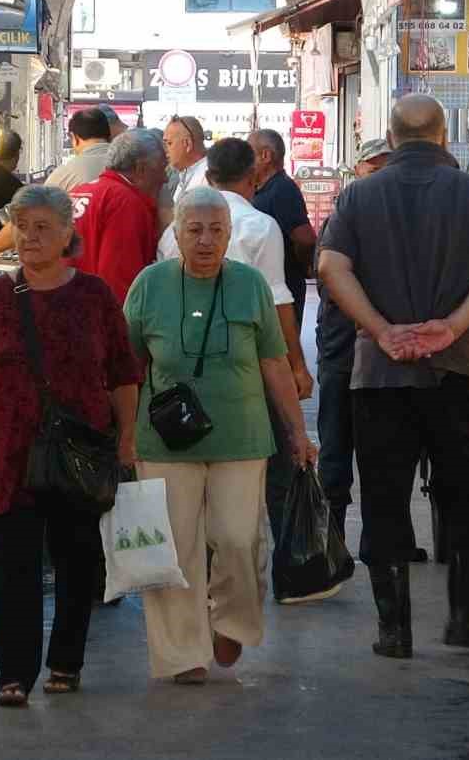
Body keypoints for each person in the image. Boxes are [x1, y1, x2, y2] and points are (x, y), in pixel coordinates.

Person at [316, 95, 469, 658]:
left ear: (391, 135)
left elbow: (332, 267)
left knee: (383, 496)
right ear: (443, 134)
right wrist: (452, 327)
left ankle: (394, 630)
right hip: (463, 369)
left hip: (381, 375)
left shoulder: (358, 195)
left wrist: (381, 330)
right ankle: (465, 617)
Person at [0, 185, 141, 708]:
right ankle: (13, 672)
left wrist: (127, 436)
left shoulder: (95, 297)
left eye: (41, 227)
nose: (29, 238)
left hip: (79, 450)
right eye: (21, 227)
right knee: (12, 564)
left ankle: (66, 661)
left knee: (77, 561)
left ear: (66, 233)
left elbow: (123, 373)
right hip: (7, 453)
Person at [124, 187, 318, 684]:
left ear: (230, 235)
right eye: (195, 229)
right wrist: (123, 433)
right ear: (177, 234)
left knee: (237, 538)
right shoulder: (150, 284)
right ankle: (182, 654)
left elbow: (274, 362)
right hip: (165, 437)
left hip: (242, 432)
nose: (206, 240)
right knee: (175, 547)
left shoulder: (250, 285)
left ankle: (230, 618)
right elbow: (126, 367)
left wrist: (298, 430)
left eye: (216, 230)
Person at [157, 139, 315, 597]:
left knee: (196, 478)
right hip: (247, 367)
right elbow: (278, 302)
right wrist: (297, 365)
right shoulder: (260, 225)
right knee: (277, 470)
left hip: (184, 369)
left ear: (208, 176)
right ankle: (288, 573)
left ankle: (205, 576)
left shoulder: (176, 229)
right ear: (253, 178)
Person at [316, 139, 393, 544]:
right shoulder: (343, 218)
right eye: (372, 168)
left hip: (383, 357)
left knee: (381, 456)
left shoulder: (397, 219)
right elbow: (330, 277)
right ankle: (331, 541)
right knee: (335, 452)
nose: (378, 176)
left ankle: (380, 543)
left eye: (386, 168)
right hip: (343, 351)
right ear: (357, 170)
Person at [70, 129, 170, 304]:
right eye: (162, 168)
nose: (165, 178)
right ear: (141, 169)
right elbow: (120, 282)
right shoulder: (126, 203)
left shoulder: (80, 191)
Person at [250, 128, 317, 337]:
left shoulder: (282, 189)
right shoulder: (265, 188)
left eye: (249, 152)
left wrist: (300, 265)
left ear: (265, 156)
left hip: (283, 289)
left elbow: (305, 238)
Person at [45, 109, 116, 193]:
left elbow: (40, 203)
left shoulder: (64, 174)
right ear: (110, 135)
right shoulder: (130, 165)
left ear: (74, 137)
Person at [164, 115, 210, 204]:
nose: (165, 149)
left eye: (169, 143)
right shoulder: (185, 173)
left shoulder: (208, 179)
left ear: (187, 144)